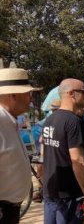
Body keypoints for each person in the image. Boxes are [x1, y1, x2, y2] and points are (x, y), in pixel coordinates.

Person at [42, 79, 84, 224]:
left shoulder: (49, 120)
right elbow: (78, 161)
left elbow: (46, 154)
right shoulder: (74, 122)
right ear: (72, 94)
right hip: (70, 193)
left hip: (51, 191)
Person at [0, 68, 41, 224]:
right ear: (13, 96)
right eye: (28, 94)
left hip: (9, 211)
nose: (31, 99)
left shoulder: (9, 120)